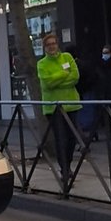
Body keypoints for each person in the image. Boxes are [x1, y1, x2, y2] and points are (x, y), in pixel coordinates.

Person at [37, 33, 81, 187]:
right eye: (48, 45)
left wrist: (58, 80)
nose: (52, 47)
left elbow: (75, 77)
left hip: (71, 103)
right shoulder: (42, 64)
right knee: (61, 139)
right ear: (45, 47)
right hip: (53, 107)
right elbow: (47, 84)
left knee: (72, 139)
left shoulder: (67, 57)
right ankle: (65, 169)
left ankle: (67, 164)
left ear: (57, 44)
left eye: (53, 43)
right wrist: (64, 74)